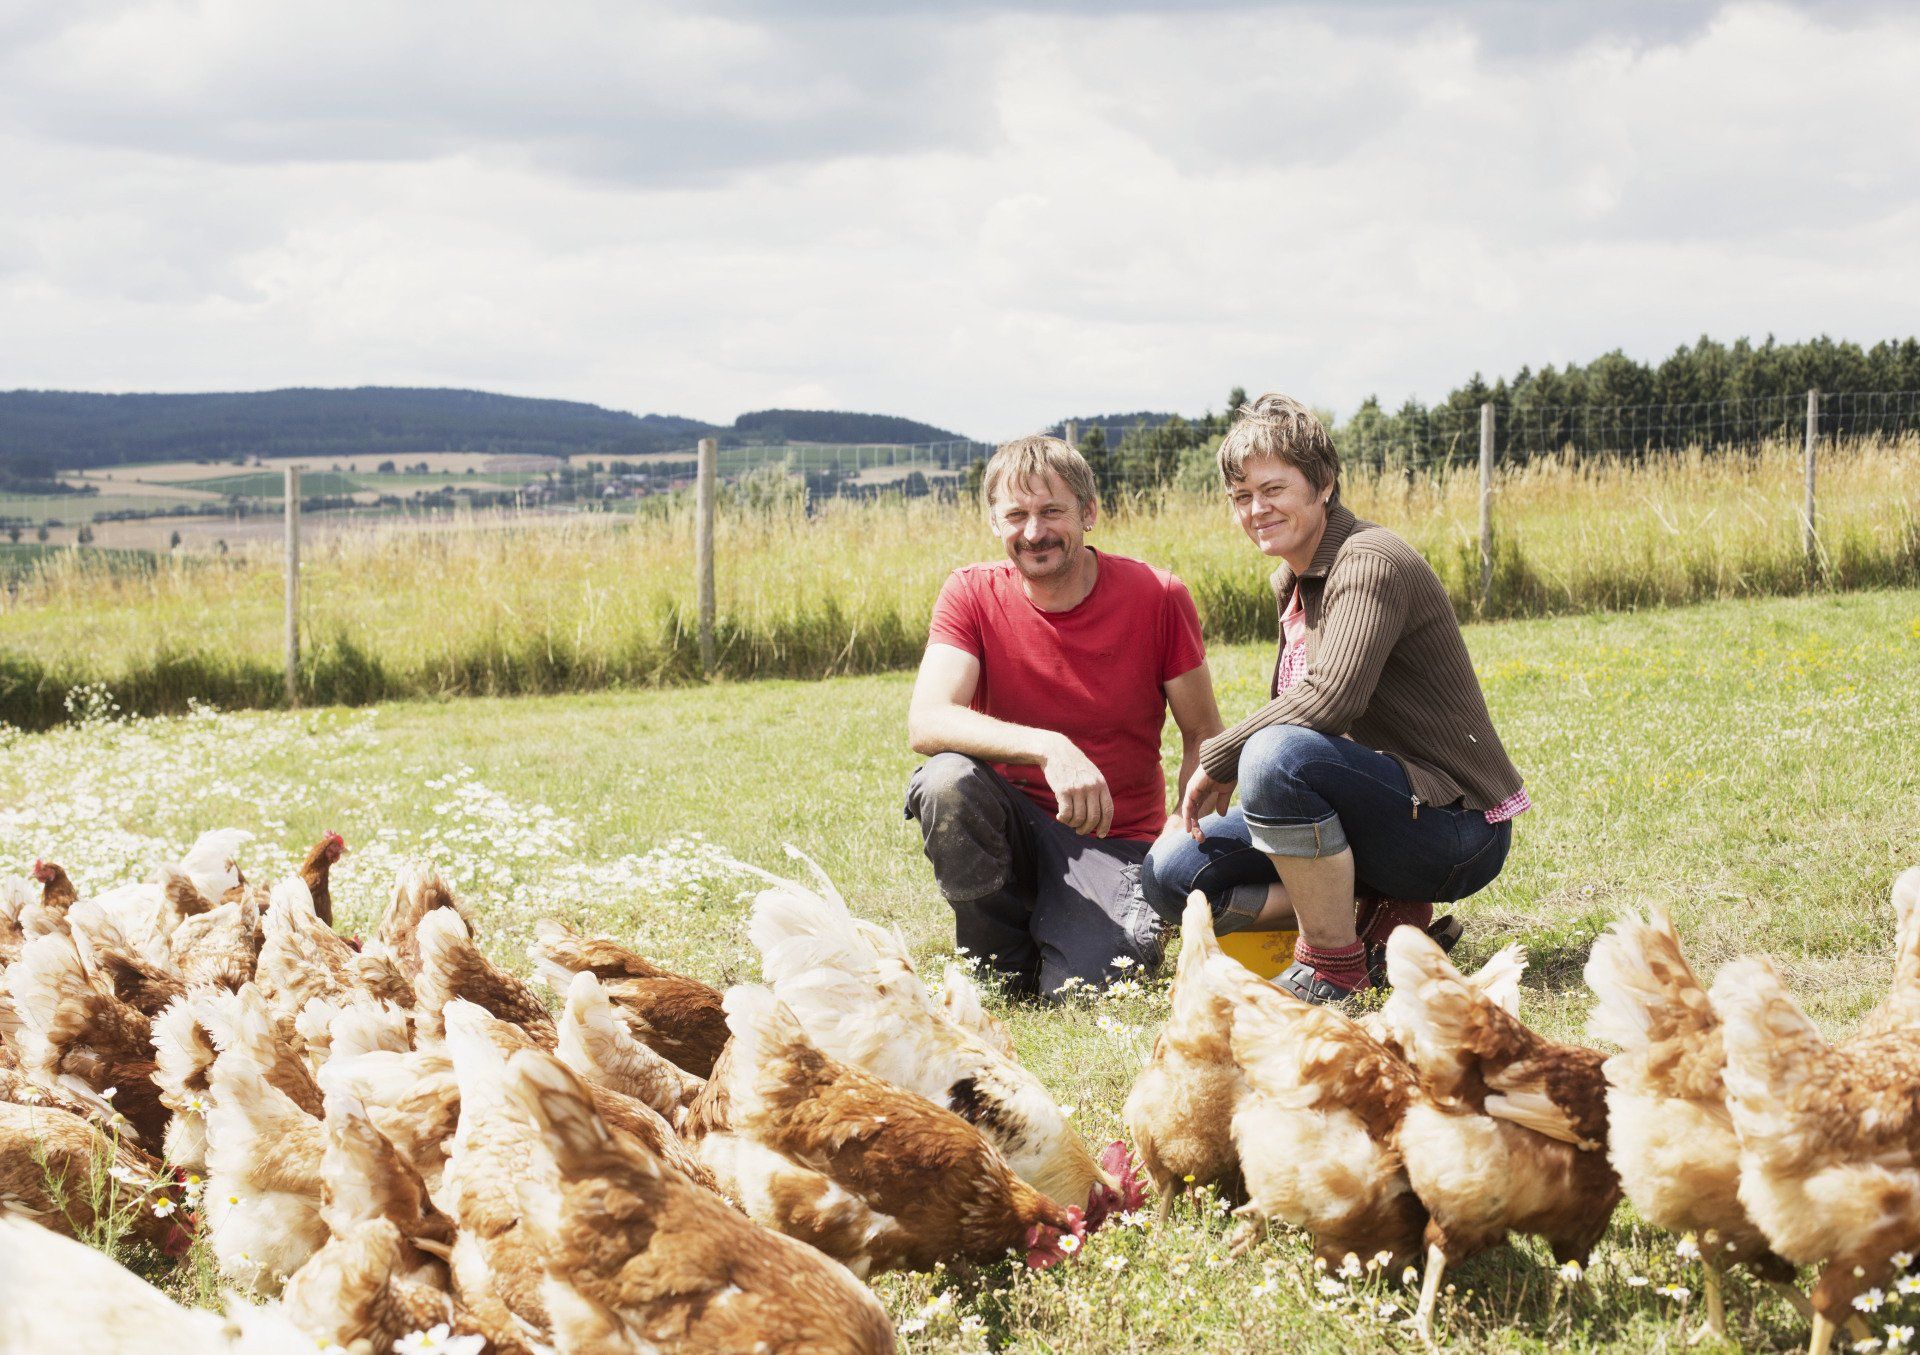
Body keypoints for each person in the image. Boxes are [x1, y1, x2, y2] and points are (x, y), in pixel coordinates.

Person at [1141, 394, 1529, 1004]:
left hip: (1453, 828)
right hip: (1371, 815)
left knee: (1274, 755)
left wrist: (1221, 757)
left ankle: (1333, 967)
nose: (1256, 509)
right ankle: (1376, 922)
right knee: (1171, 875)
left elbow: (1330, 700)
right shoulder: (1293, 579)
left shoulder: (1369, 561)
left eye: (1273, 489)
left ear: (1323, 484)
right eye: (1241, 496)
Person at [904, 434, 1224, 998]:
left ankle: (1072, 926)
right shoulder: (969, 593)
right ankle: (998, 957)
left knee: (1088, 990)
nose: (1034, 532)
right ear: (994, 522)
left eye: (1052, 511)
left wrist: (1182, 823)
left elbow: (1202, 732)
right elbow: (928, 720)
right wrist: (1048, 746)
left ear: (1089, 512)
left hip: (1115, 838)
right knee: (946, 781)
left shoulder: (1158, 595)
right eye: (1016, 515)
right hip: (1010, 827)